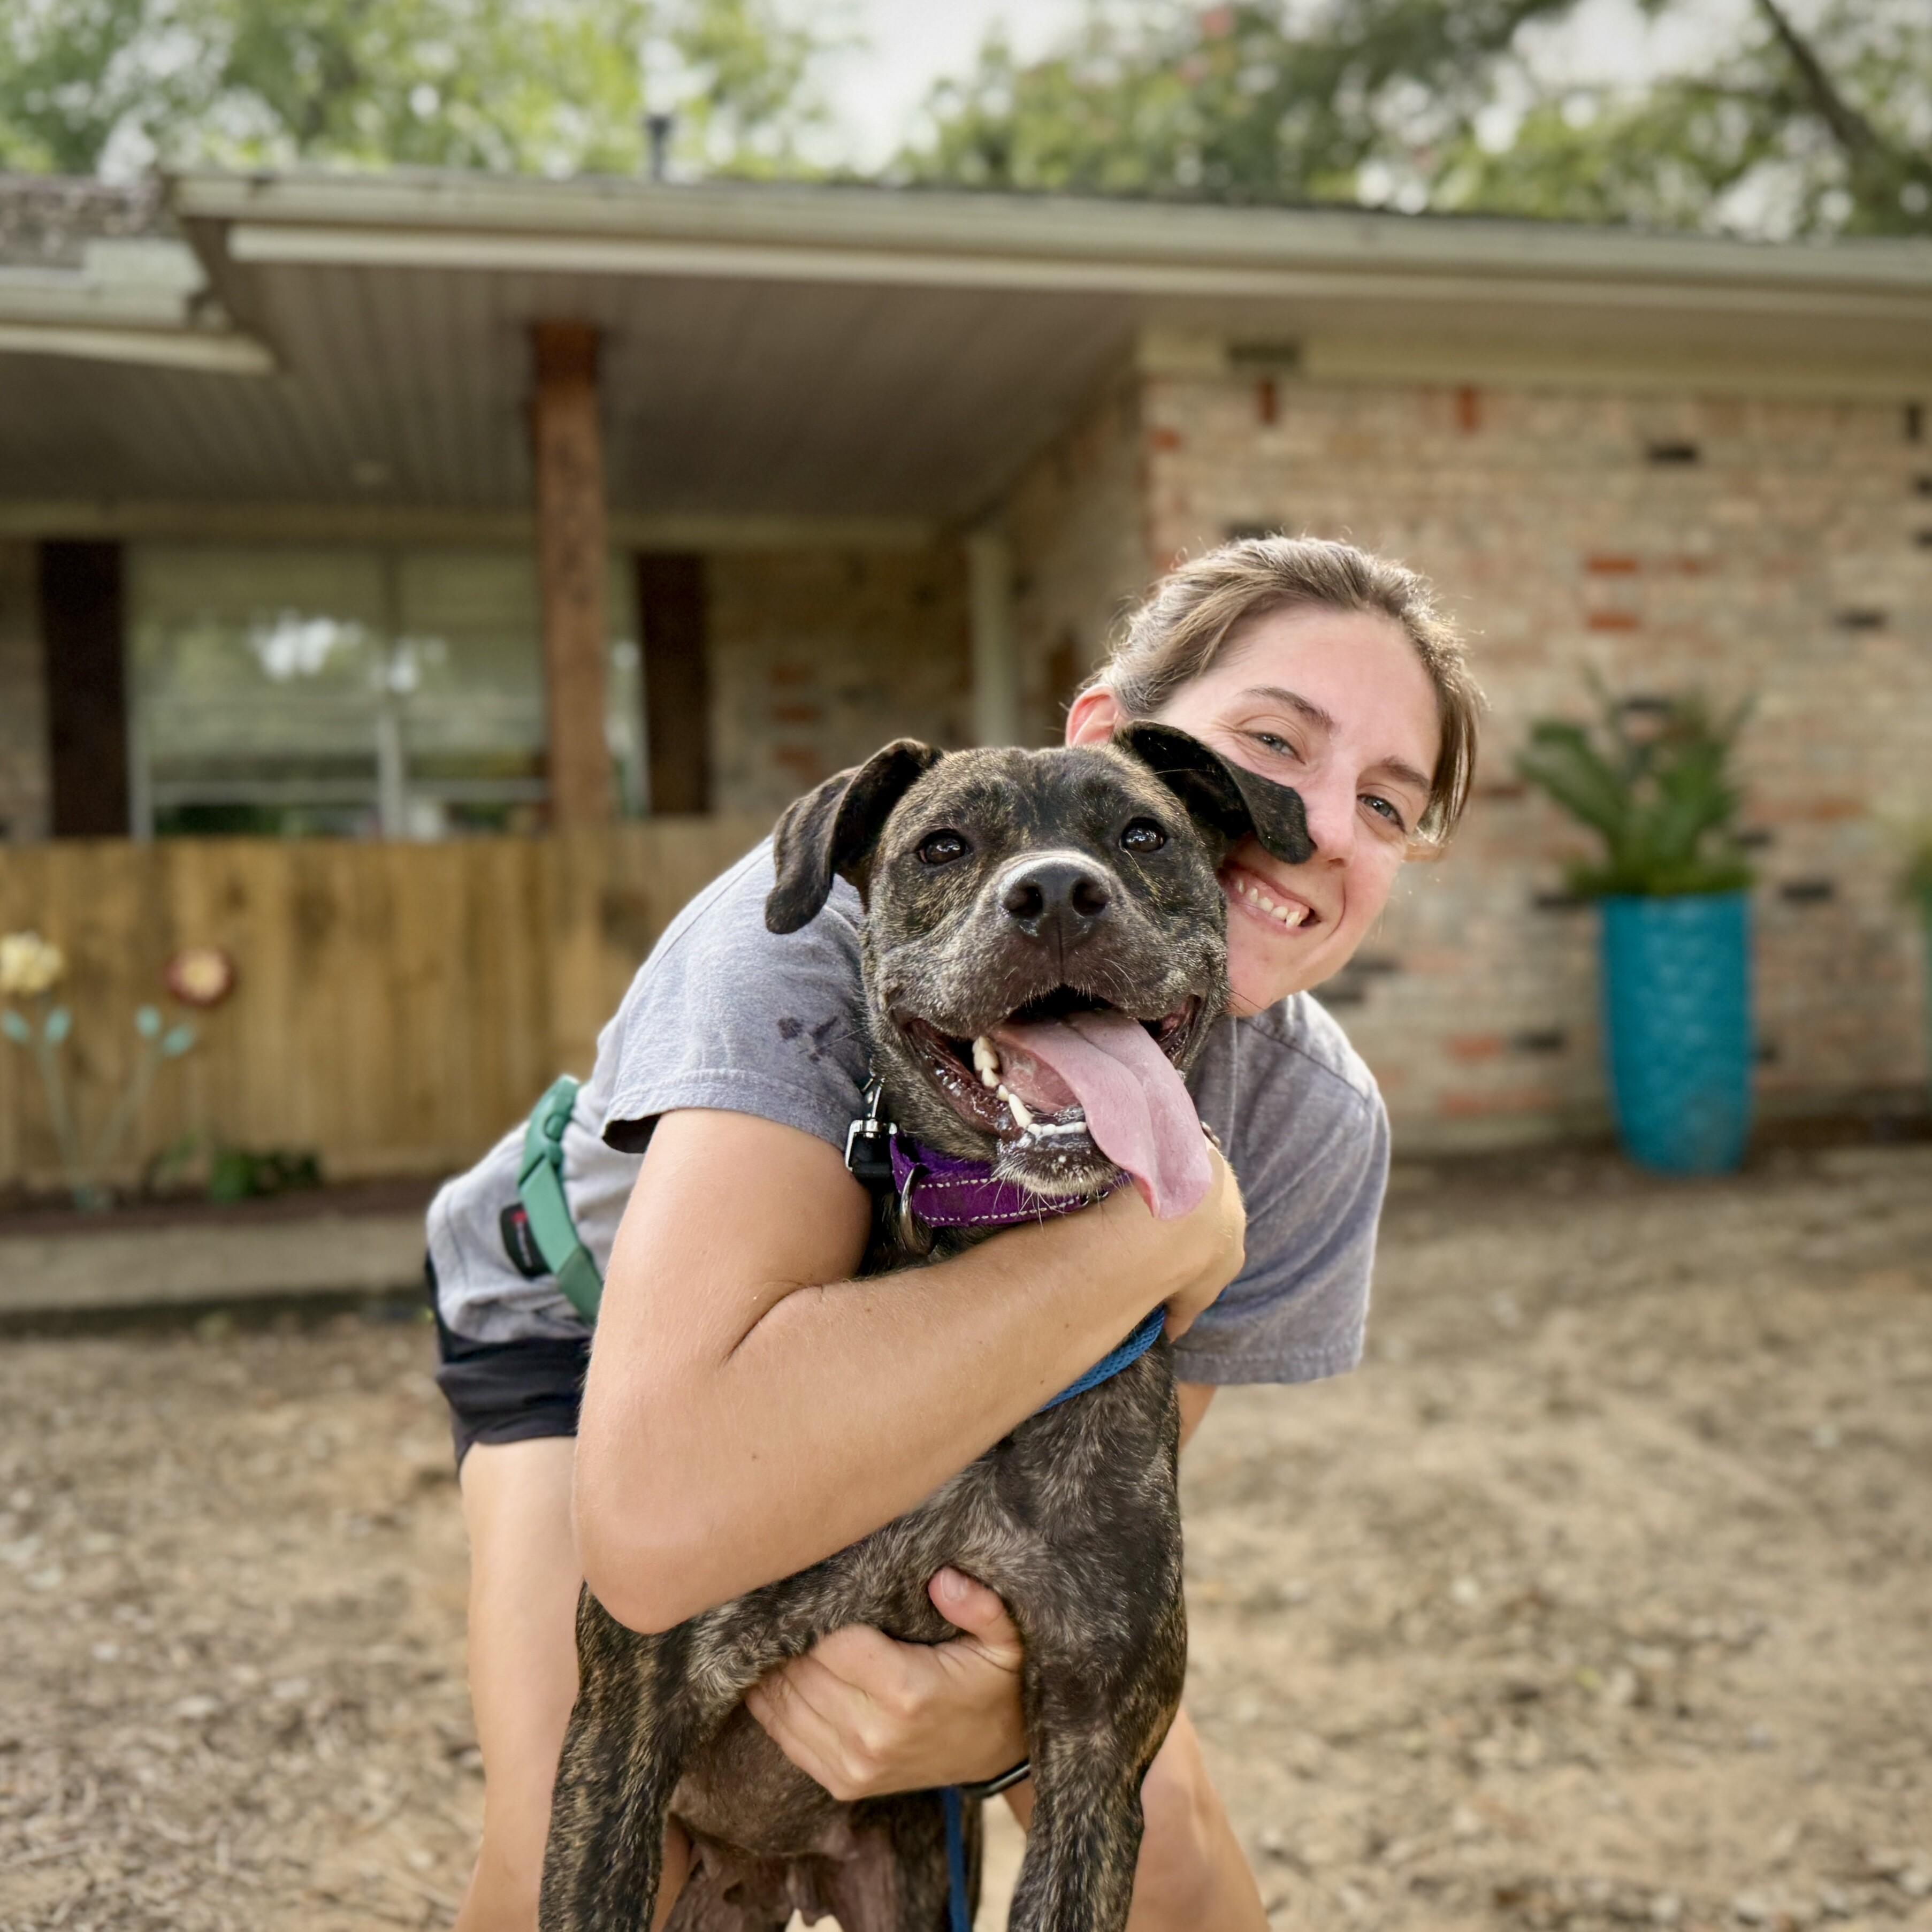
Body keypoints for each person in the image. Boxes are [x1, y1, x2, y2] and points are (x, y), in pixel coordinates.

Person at [426, 534, 1482, 1931]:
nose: (1320, 823)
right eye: (1272, 741)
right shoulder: (802, 943)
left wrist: (979, 1707)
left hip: (961, 1365)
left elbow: (1099, 1498)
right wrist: (1160, 1229)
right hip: (609, 1340)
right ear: (1111, 732)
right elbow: (660, 1523)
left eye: (1387, 803)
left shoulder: (1304, 1113)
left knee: (1167, 1853)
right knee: (601, 1837)